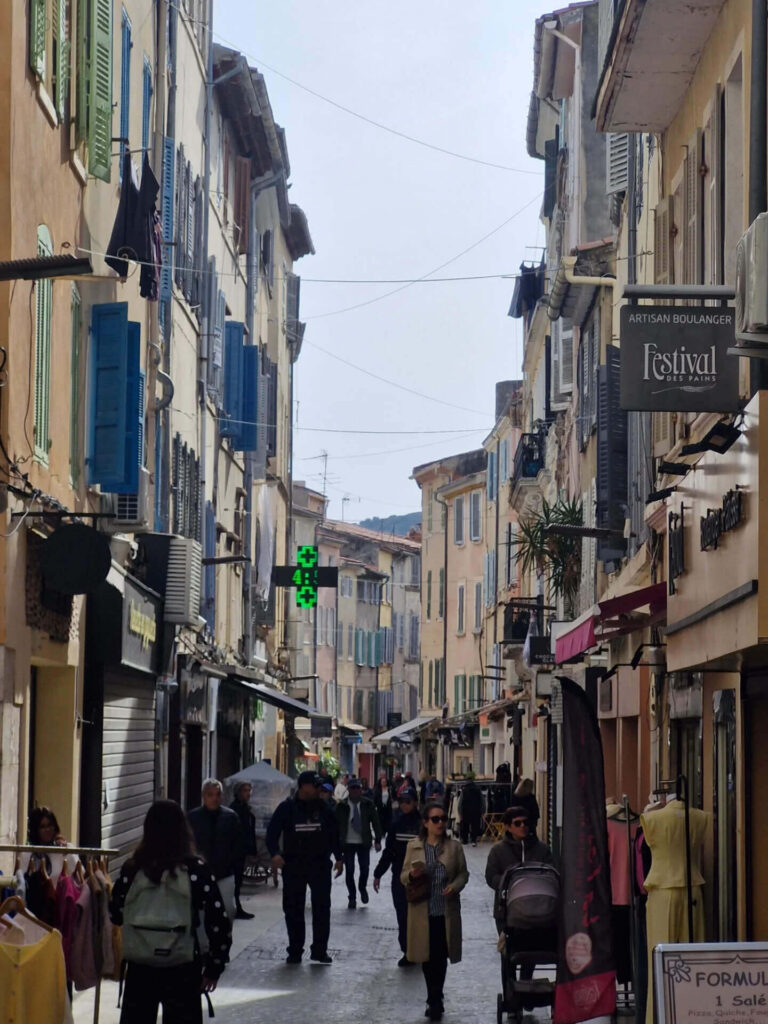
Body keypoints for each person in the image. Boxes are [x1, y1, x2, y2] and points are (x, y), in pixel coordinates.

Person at [109, 800, 232, 1024]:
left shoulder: (133, 868)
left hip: (140, 966)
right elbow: (218, 921)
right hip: (182, 966)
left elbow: (115, 913)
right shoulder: (196, 869)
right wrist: (215, 966)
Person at [266, 770, 343, 964]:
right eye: (315, 785)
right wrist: (275, 854)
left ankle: (319, 950)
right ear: (303, 786)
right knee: (293, 909)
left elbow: (334, 834)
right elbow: (272, 833)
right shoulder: (287, 808)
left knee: (322, 909)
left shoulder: (324, 808)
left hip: (319, 865)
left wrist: (339, 858)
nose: (318, 789)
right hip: (294, 866)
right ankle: (295, 950)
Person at [401, 800, 469, 1021]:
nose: (440, 823)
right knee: (426, 957)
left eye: (443, 819)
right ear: (426, 822)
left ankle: (436, 998)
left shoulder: (454, 847)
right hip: (421, 911)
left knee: (440, 957)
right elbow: (403, 876)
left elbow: (463, 874)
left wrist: (455, 886)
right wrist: (412, 876)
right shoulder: (414, 846)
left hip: (445, 911)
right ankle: (433, 997)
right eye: (435, 819)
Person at [485, 806, 555, 999]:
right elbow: (491, 876)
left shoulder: (541, 849)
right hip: (506, 911)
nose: (523, 826)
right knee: (508, 953)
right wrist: (509, 883)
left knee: (530, 951)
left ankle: (526, 988)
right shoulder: (498, 851)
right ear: (508, 827)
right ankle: (510, 994)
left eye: (526, 822)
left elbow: (551, 872)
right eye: (517, 823)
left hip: (538, 909)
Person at [372, 787, 422, 965]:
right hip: (400, 877)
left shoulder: (424, 825)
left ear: (415, 802)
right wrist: (378, 873)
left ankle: (420, 950)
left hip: (421, 879)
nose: (404, 805)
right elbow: (389, 852)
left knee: (420, 917)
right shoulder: (396, 824)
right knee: (402, 915)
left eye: (408, 802)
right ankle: (407, 951)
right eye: (401, 802)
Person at [187, 778, 244, 920]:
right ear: (203, 796)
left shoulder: (230, 817)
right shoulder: (193, 817)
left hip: (224, 873)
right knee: (199, 912)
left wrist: (236, 871)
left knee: (227, 911)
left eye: (217, 794)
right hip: (200, 874)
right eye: (210, 794)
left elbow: (238, 847)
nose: (214, 798)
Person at [336, 778, 383, 908]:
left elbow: (376, 822)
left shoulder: (368, 804)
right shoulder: (342, 806)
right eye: (353, 788)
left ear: (361, 790)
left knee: (365, 869)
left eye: (358, 788)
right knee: (349, 870)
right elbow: (335, 824)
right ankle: (352, 896)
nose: (355, 791)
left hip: (364, 842)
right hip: (348, 843)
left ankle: (362, 888)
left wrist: (378, 839)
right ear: (349, 790)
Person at [229, 781, 256, 920]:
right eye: (245, 790)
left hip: (241, 851)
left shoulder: (245, 809)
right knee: (234, 881)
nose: (248, 793)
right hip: (234, 852)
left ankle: (236, 906)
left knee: (238, 881)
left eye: (249, 790)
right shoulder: (234, 810)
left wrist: (252, 851)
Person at [458, 774, 484, 846]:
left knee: (465, 825)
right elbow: (482, 801)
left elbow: (460, 802)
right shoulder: (478, 789)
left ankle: (465, 840)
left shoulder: (464, 789)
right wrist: (483, 811)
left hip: (465, 810)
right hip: (476, 810)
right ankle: (473, 840)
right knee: (475, 825)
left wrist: (459, 812)